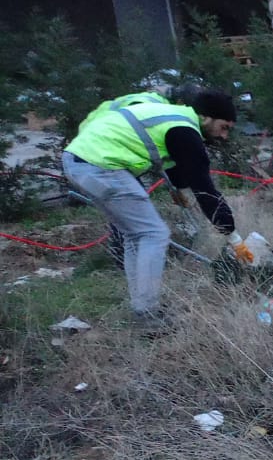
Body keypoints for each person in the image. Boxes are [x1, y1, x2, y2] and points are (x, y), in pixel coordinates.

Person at [62, 88, 243, 333]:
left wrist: (180, 188)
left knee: (135, 235)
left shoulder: (171, 117)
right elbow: (205, 190)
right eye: (224, 127)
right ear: (206, 118)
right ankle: (147, 314)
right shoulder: (185, 131)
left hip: (79, 160)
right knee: (153, 234)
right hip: (100, 165)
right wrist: (233, 236)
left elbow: (179, 174)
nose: (224, 136)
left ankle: (142, 306)